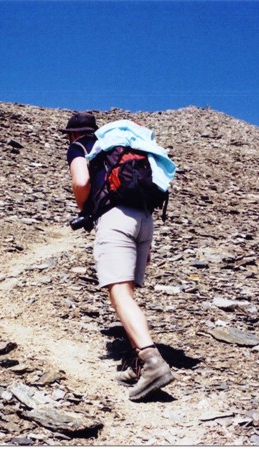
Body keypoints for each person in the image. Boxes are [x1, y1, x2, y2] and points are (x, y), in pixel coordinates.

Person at [61, 111, 175, 401]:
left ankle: (152, 362)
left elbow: (81, 180)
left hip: (116, 218)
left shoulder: (81, 146)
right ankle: (137, 363)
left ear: (73, 134)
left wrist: (84, 209)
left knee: (119, 293)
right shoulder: (122, 146)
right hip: (145, 219)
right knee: (128, 293)